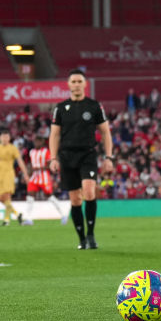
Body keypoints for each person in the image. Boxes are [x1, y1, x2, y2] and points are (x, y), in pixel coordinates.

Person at [49, 69, 113, 250]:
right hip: (67, 156)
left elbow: (105, 132)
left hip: (87, 154)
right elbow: (54, 135)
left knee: (89, 191)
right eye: (73, 81)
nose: (76, 84)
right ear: (68, 85)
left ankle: (91, 234)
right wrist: (53, 158)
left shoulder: (94, 106)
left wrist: (109, 157)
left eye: (79, 81)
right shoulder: (60, 108)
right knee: (75, 200)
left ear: (85, 84)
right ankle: (81, 238)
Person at [0, 130, 29, 226]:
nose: (5, 139)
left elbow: (20, 161)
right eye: (3, 137)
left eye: (7, 137)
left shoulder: (13, 148)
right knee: (0, 197)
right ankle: (17, 214)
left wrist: (25, 174)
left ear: (9, 138)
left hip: (9, 174)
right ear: (0, 138)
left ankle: (6, 220)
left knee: (7, 196)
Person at [24, 134, 67, 225]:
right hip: (34, 177)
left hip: (44, 177)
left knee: (49, 196)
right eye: (35, 142)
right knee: (30, 196)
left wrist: (39, 168)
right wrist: (28, 173)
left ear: (42, 142)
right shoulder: (31, 152)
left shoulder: (46, 152)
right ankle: (28, 218)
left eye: (38, 142)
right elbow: (31, 165)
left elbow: (49, 165)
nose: (36, 143)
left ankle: (63, 215)